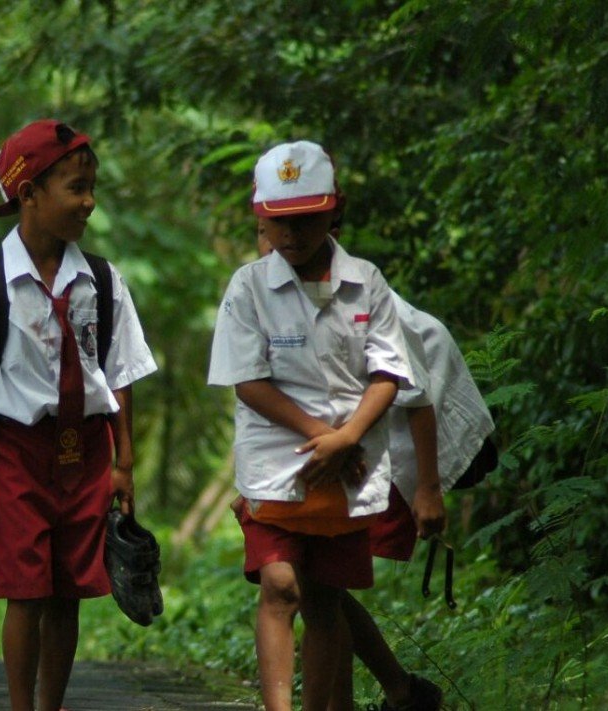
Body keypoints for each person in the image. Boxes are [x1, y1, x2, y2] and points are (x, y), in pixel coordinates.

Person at [0, 119, 157, 711]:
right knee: (25, 592)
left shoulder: (103, 281)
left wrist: (124, 462)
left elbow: (120, 375)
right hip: (15, 452)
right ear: (27, 193)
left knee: (69, 591)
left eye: (91, 188)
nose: (89, 202)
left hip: (86, 452)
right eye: (76, 188)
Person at [234, 226, 493, 710]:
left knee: (321, 588)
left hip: (388, 452)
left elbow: (416, 398)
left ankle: (386, 694)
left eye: (296, 228)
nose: (275, 246)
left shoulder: (363, 295)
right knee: (311, 586)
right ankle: (396, 691)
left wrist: (428, 489)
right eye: (266, 232)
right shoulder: (266, 294)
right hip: (327, 453)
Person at [207, 140, 413, 711]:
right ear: (260, 219)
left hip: (348, 464)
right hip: (277, 459)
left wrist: (346, 437)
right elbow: (246, 379)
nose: (290, 235)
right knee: (281, 585)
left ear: (334, 209)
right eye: (277, 223)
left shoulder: (366, 282)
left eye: (304, 219)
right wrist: (318, 433)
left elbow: (389, 373)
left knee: (325, 598)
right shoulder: (248, 286)